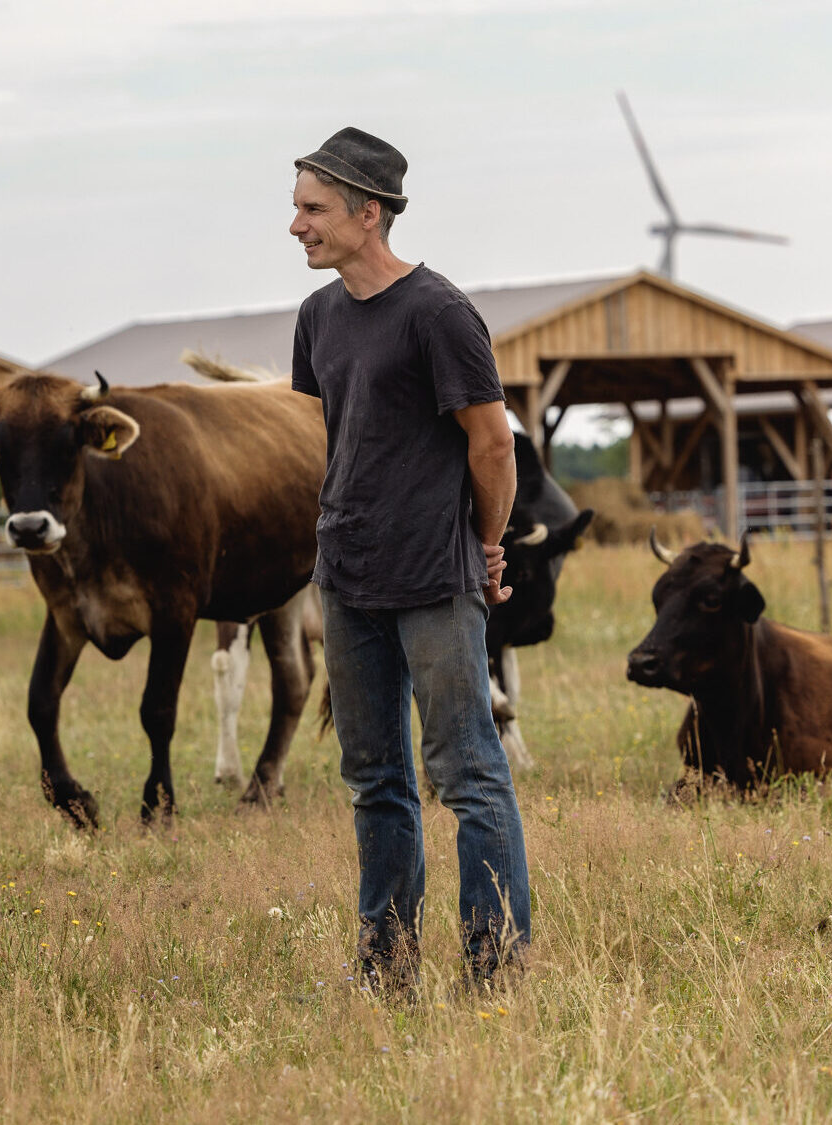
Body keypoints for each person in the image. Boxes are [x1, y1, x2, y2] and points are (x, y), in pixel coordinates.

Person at [286, 126, 530, 992]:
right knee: (374, 780)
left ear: (368, 212)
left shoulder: (439, 312)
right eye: (296, 209)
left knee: (466, 771)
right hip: (346, 578)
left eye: (313, 210)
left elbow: (491, 444)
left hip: (433, 576)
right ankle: (386, 968)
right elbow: (344, 438)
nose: (297, 227)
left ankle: (494, 967)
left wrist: (489, 545)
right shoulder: (316, 320)